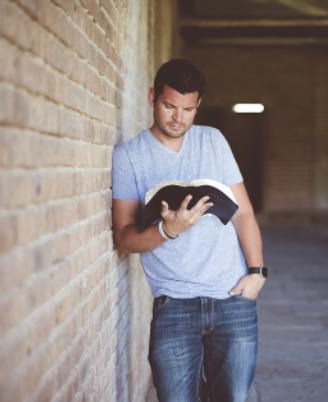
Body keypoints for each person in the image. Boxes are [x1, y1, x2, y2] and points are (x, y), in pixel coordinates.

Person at [111, 59, 267, 402]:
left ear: (198, 106)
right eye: (169, 106)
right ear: (152, 96)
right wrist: (168, 231)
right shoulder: (129, 156)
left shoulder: (213, 141)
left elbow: (243, 213)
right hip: (174, 304)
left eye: (188, 109)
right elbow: (123, 237)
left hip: (232, 297)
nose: (177, 118)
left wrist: (257, 273)